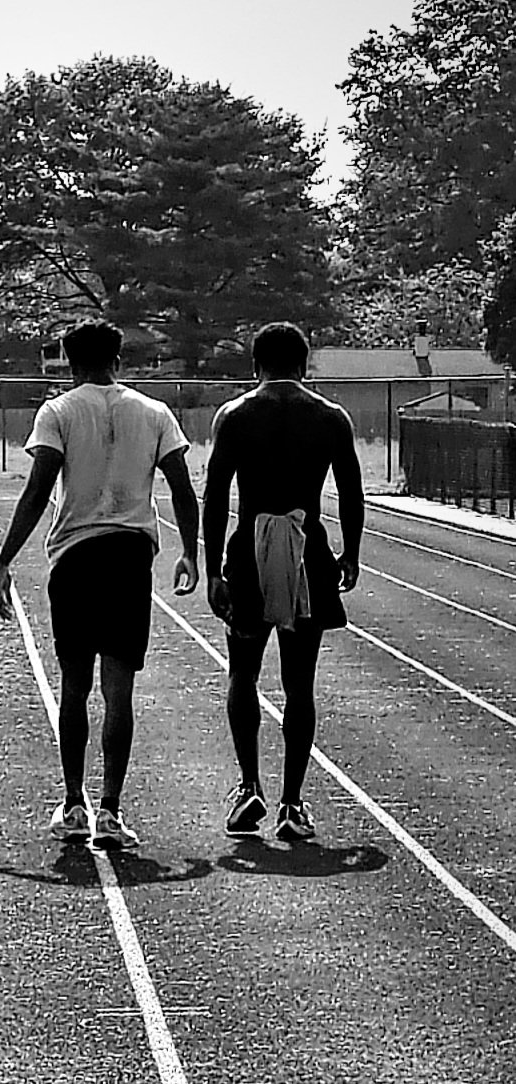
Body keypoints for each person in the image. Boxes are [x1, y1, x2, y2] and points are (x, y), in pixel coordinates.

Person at [0, 318, 199, 849]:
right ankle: (110, 808)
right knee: (119, 690)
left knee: (75, 685)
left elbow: (38, 490)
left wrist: (4, 559)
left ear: (68, 360)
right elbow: (182, 489)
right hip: (129, 556)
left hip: (77, 557)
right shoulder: (155, 412)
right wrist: (191, 553)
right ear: (118, 359)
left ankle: (72, 804)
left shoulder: (58, 411)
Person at [203, 321, 364, 842]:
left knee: (243, 674)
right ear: (304, 364)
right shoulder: (330, 417)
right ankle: (292, 802)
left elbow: (215, 496)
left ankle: (249, 785)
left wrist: (212, 569)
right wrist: (351, 554)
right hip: (308, 553)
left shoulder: (235, 415)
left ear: (256, 365)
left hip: (249, 552)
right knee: (299, 684)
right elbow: (352, 492)